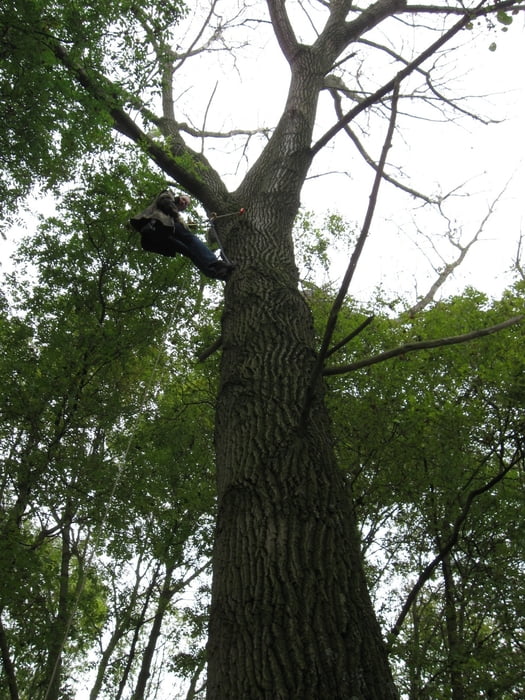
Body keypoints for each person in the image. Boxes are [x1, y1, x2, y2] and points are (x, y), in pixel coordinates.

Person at [130, 190, 234, 281]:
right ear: (178, 197)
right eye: (183, 199)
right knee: (191, 239)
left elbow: (178, 226)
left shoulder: (174, 220)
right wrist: (179, 218)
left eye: (186, 204)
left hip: (160, 237)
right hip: (157, 224)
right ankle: (216, 264)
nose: (184, 203)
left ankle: (215, 272)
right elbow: (165, 202)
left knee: (190, 252)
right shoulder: (168, 195)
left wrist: (185, 224)